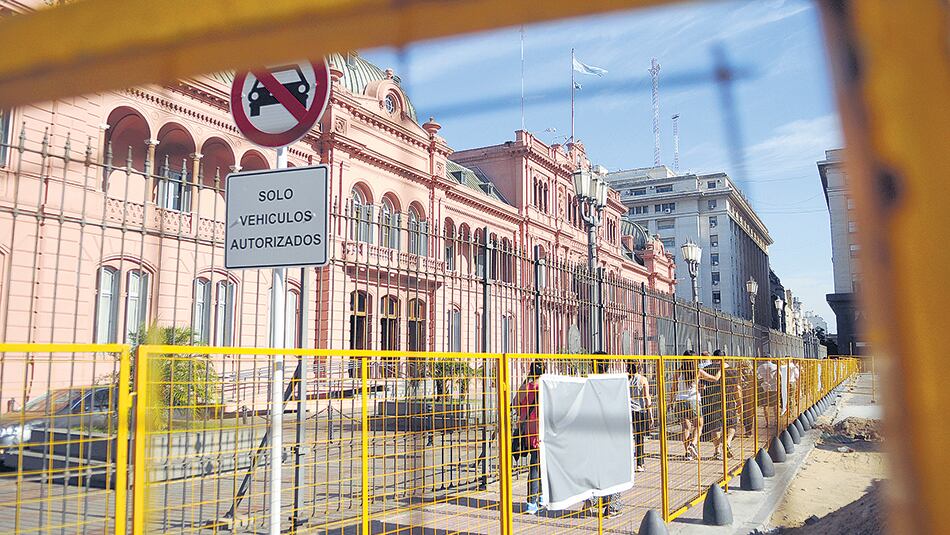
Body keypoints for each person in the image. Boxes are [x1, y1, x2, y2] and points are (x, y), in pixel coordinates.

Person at [671, 350, 720, 461]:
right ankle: (693, 444)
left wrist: (670, 402)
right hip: (693, 400)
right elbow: (714, 379)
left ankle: (687, 453)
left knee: (685, 427)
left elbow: (674, 388)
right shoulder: (697, 371)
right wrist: (720, 370)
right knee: (699, 425)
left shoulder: (678, 372)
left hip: (680, 400)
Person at [517, 361, 543, 514]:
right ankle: (533, 500)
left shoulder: (525, 386)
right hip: (541, 429)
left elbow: (516, 404)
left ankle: (537, 497)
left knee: (535, 463)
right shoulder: (542, 386)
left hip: (528, 429)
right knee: (538, 465)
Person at [708, 350, 742, 460]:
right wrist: (739, 402)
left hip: (713, 400)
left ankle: (717, 451)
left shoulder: (708, 369)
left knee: (715, 426)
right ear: (725, 357)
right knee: (731, 424)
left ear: (714, 357)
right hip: (728, 399)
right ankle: (727, 442)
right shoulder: (732, 370)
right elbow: (736, 388)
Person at [628, 360, 653, 472]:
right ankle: (640, 463)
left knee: (627, 437)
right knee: (639, 437)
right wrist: (650, 413)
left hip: (628, 410)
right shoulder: (643, 379)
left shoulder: (624, 379)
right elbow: (647, 397)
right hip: (640, 410)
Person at [757, 357, 778, 429]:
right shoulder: (775, 366)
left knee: (765, 406)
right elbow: (779, 376)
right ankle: (776, 420)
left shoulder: (760, 367)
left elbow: (758, 377)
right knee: (775, 405)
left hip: (764, 388)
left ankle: (767, 422)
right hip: (774, 387)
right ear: (771, 359)